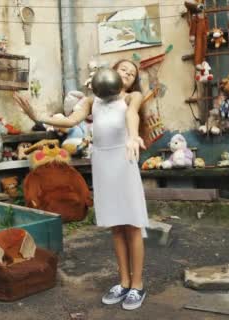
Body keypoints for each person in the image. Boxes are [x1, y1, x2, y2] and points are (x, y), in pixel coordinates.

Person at [13, 59, 150, 311]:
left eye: (132, 74)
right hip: (103, 162)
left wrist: (133, 137)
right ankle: (123, 282)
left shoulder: (132, 98)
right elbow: (69, 121)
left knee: (132, 223)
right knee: (116, 226)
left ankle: (138, 285)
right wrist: (36, 116)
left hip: (124, 157)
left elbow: (132, 116)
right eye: (123, 69)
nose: (128, 75)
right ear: (111, 71)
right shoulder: (90, 101)